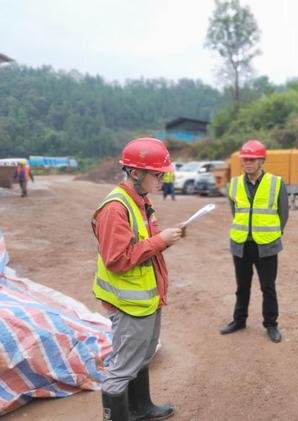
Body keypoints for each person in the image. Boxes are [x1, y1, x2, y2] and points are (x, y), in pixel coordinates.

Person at [92, 137, 185, 420]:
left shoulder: (141, 201)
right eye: (157, 175)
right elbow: (117, 259)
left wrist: (166, 238)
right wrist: (160, 241)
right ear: (135, 172)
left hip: (145, 299)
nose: (162, 180)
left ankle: (140, 408)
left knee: (142, 356)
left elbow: (145, 244)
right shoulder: (115, 209)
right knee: (122, 369)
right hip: (128, 303)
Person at [220, 139, 289, 343]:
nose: (248, 163)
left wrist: (271, 235)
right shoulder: (234, 184)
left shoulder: (276, 183)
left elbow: (283, 214)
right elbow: (235, 212)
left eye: (253, 159)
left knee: (268, 287)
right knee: (242, 286)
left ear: (262, 161)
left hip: (266, 245)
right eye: (245, 159)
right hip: (241, 244)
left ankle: (271, 324)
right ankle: (239, 320)